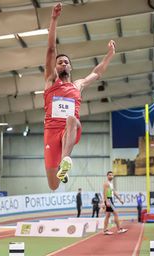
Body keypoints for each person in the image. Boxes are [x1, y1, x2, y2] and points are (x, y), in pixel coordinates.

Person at [43, 3, 116, 190]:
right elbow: (51, 49)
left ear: (70, 67)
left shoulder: (78, 85)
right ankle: (61, 168)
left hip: (69, 130)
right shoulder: (51, 81)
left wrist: (109, 55)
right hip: (51, 132)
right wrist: (54, 19)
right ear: (55, 67)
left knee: (72, 119)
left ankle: (65, 160)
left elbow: (97, 73)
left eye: (66, 62)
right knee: (53, 185)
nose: (62, 63)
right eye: (59, 62)